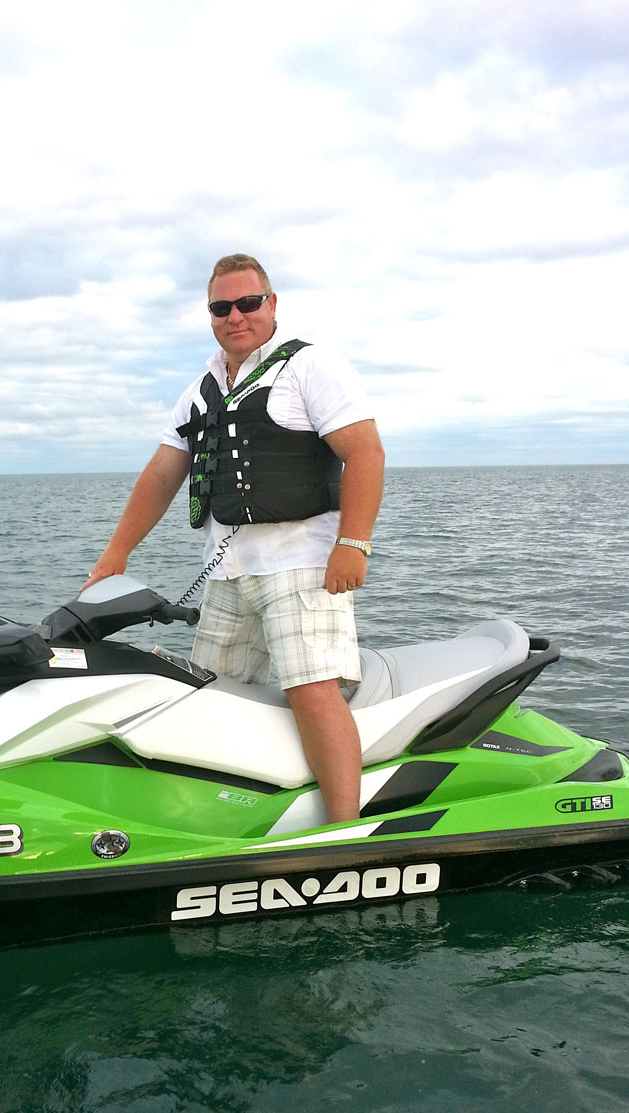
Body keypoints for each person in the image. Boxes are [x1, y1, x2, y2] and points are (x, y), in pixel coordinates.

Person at [84, 253, 384, 822]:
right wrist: (115, 554)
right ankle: (226, 817)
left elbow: (365, 451)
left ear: (272, 304)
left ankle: (345, 831)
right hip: (228, 572)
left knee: (311, 690)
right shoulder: (201, 388)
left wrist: (354, 543)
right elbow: (163, 472)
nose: (235, 316)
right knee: (211, 695)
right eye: (221, 308)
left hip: (302, 563)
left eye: (248, 303)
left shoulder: (311, 366)